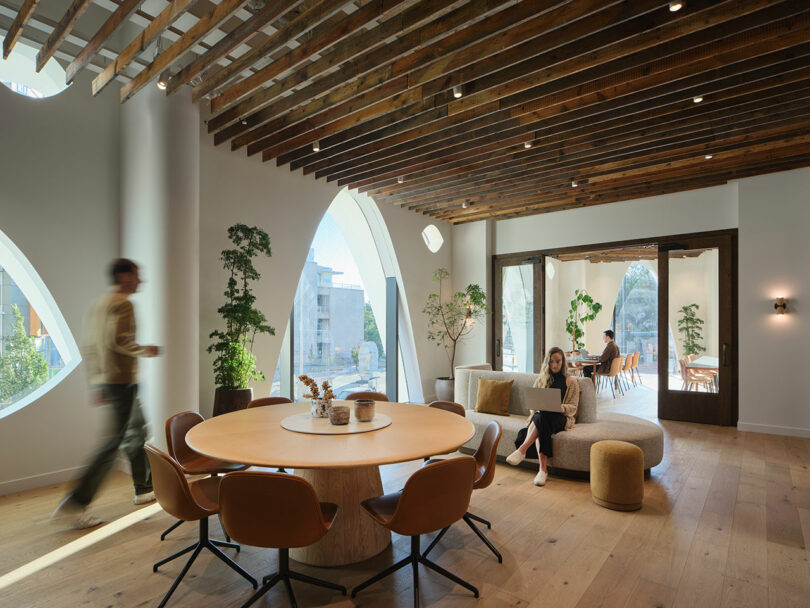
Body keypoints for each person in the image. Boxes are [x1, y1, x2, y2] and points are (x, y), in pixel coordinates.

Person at [52, 259, 160, 529]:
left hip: (111, 380)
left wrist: (96, 382)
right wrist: (146, 350)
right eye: (137, 275)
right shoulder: (124, 303)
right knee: (114, 442)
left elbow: (89, 346)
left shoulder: (100, 305)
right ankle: (77, 502)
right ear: (124, 277)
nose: (140, 280)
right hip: (121, 380)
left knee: (137, 430)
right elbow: (119, 340)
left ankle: (144, 488)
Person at [505, 347, 580, 486]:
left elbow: (573, 408)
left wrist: (559, 407)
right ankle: (542, 469)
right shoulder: (541, 379)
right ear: (547, 362)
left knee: (542, 418)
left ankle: (522, 450)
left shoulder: (571, 381)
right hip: (543, 417)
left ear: (563, 362)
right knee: (541, 418)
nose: (555, 364)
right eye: (552, 361)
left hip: (561, 418)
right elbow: (532, 405)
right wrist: (537, 405)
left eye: (558, 361)